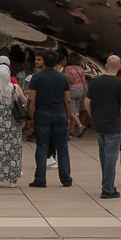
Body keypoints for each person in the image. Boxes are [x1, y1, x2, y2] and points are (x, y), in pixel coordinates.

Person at [84, 55, 121, 199]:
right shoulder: (120, 83)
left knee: (104, 156)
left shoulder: (96, 81)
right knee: (111, 157)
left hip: (98, 123)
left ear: (105, 65)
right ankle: (108, 188)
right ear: (120, 67)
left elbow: (87, 102)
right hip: (112, 124)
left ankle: (108, 184)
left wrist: (93, 116)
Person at [26, 51, 74, 188]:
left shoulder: (36, 77)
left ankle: (40, 178)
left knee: (42, 146)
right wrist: (68, 117)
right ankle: (66, 178)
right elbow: (68, 100)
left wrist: (29, 117)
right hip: (59, 113)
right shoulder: (63, 78)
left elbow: (31, 99)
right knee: (62, 146)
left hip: (42, 113)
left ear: (44, 62)